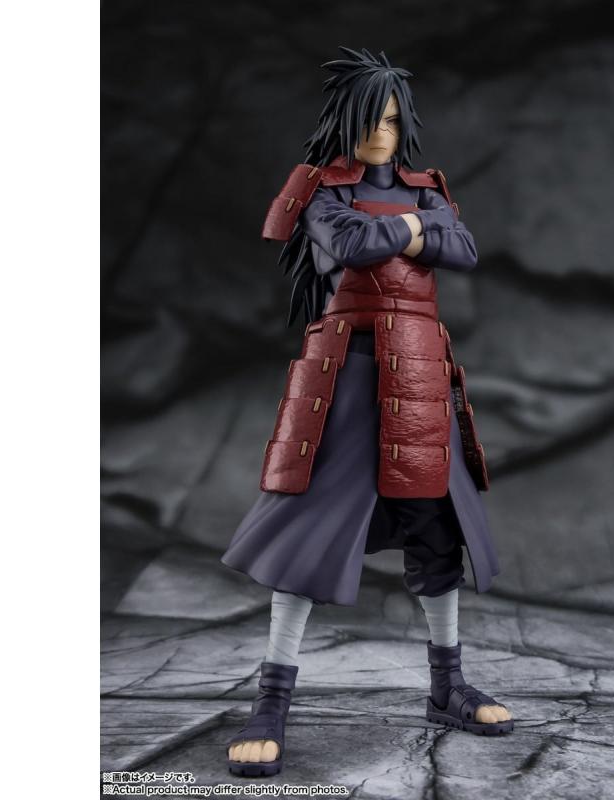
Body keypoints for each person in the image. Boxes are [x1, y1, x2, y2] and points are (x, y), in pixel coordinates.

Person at [221, 47, 513, 778]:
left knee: (437, 531)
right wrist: (418, 231)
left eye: (389, 120)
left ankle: (447, 687)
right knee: (307, 533)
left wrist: (405, 227)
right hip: (345, 379)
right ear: (344, 123)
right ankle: (271, 704)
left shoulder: (426, 186)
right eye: (367, 120)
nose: (379, 134)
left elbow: (464, 249)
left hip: (420, 378)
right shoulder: (322, 190)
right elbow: (348, 245)